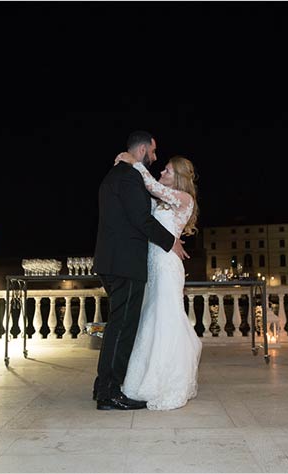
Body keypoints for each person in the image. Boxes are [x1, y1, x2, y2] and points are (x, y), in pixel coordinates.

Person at [92, 131, 189, 411]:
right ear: (144, 150)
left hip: (112, 262)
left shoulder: (112, 176)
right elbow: (141, 221)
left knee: (117, 327)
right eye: (154, 152)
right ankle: (109, 393)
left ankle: (104, 386)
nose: (156, 158)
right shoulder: (130, 176)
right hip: (126, 265)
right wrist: (172, 242)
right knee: (122, 329)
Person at [114, 151, 203, 410]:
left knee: (165, 318)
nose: (162, 173)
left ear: (179, 178)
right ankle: (143, 378)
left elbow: (151, 185)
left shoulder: (184, 198)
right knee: (151, 318)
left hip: (166, 266)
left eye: (167, 171)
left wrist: (137, 165)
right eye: (162, 169)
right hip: (153, 265)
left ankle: (166, 380)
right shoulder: (162, 202)